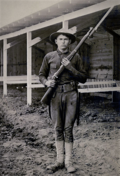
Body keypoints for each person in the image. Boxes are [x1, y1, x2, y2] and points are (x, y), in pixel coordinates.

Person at [39, 29, 87, 173]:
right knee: (58, 128)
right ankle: (59, 161)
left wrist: (70, 67)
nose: (63, 41)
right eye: (60, 39)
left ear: (70, 42)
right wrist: (47, 83)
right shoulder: (49, 56)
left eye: (66, 39)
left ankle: (69, 162)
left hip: (71, 94)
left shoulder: (76, 57)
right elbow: (41, 75)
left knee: (68, 128)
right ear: (56, 41)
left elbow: (83, 78)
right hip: (54, 95)